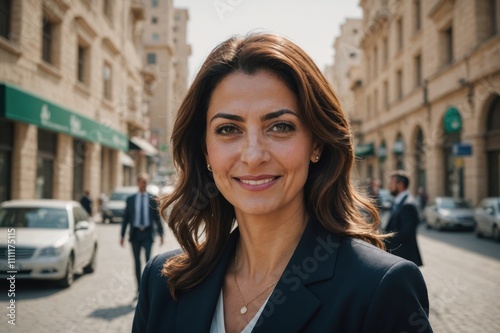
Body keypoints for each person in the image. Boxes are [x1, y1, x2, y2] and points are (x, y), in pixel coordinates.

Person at [133, 33, 432, 332]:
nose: (253, 155)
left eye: (280, 126)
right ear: (205, 151)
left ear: (316, 144)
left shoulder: (379, 288)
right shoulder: (162, 282)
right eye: (227, 129)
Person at [120, 173, 164, 298]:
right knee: (137, 262)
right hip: (135, 234)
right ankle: (139, 289)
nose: (144, 184)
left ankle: (147, 288)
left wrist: (161, 234)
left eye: (145, 182)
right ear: (137, 183)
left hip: (148, 234)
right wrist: (122, 235)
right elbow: (126, 219)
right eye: (142, 182)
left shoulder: (152, 198)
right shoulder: (131, 199)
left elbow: (157, 217)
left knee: (148, 261)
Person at [384, 171, 424, 267]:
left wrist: (383, 237)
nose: (389, 186)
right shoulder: (399, 201)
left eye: (391, 183)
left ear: (400, 184)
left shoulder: (408, 204)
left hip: (403, 258)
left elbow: (407, 233)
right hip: (397, 257)